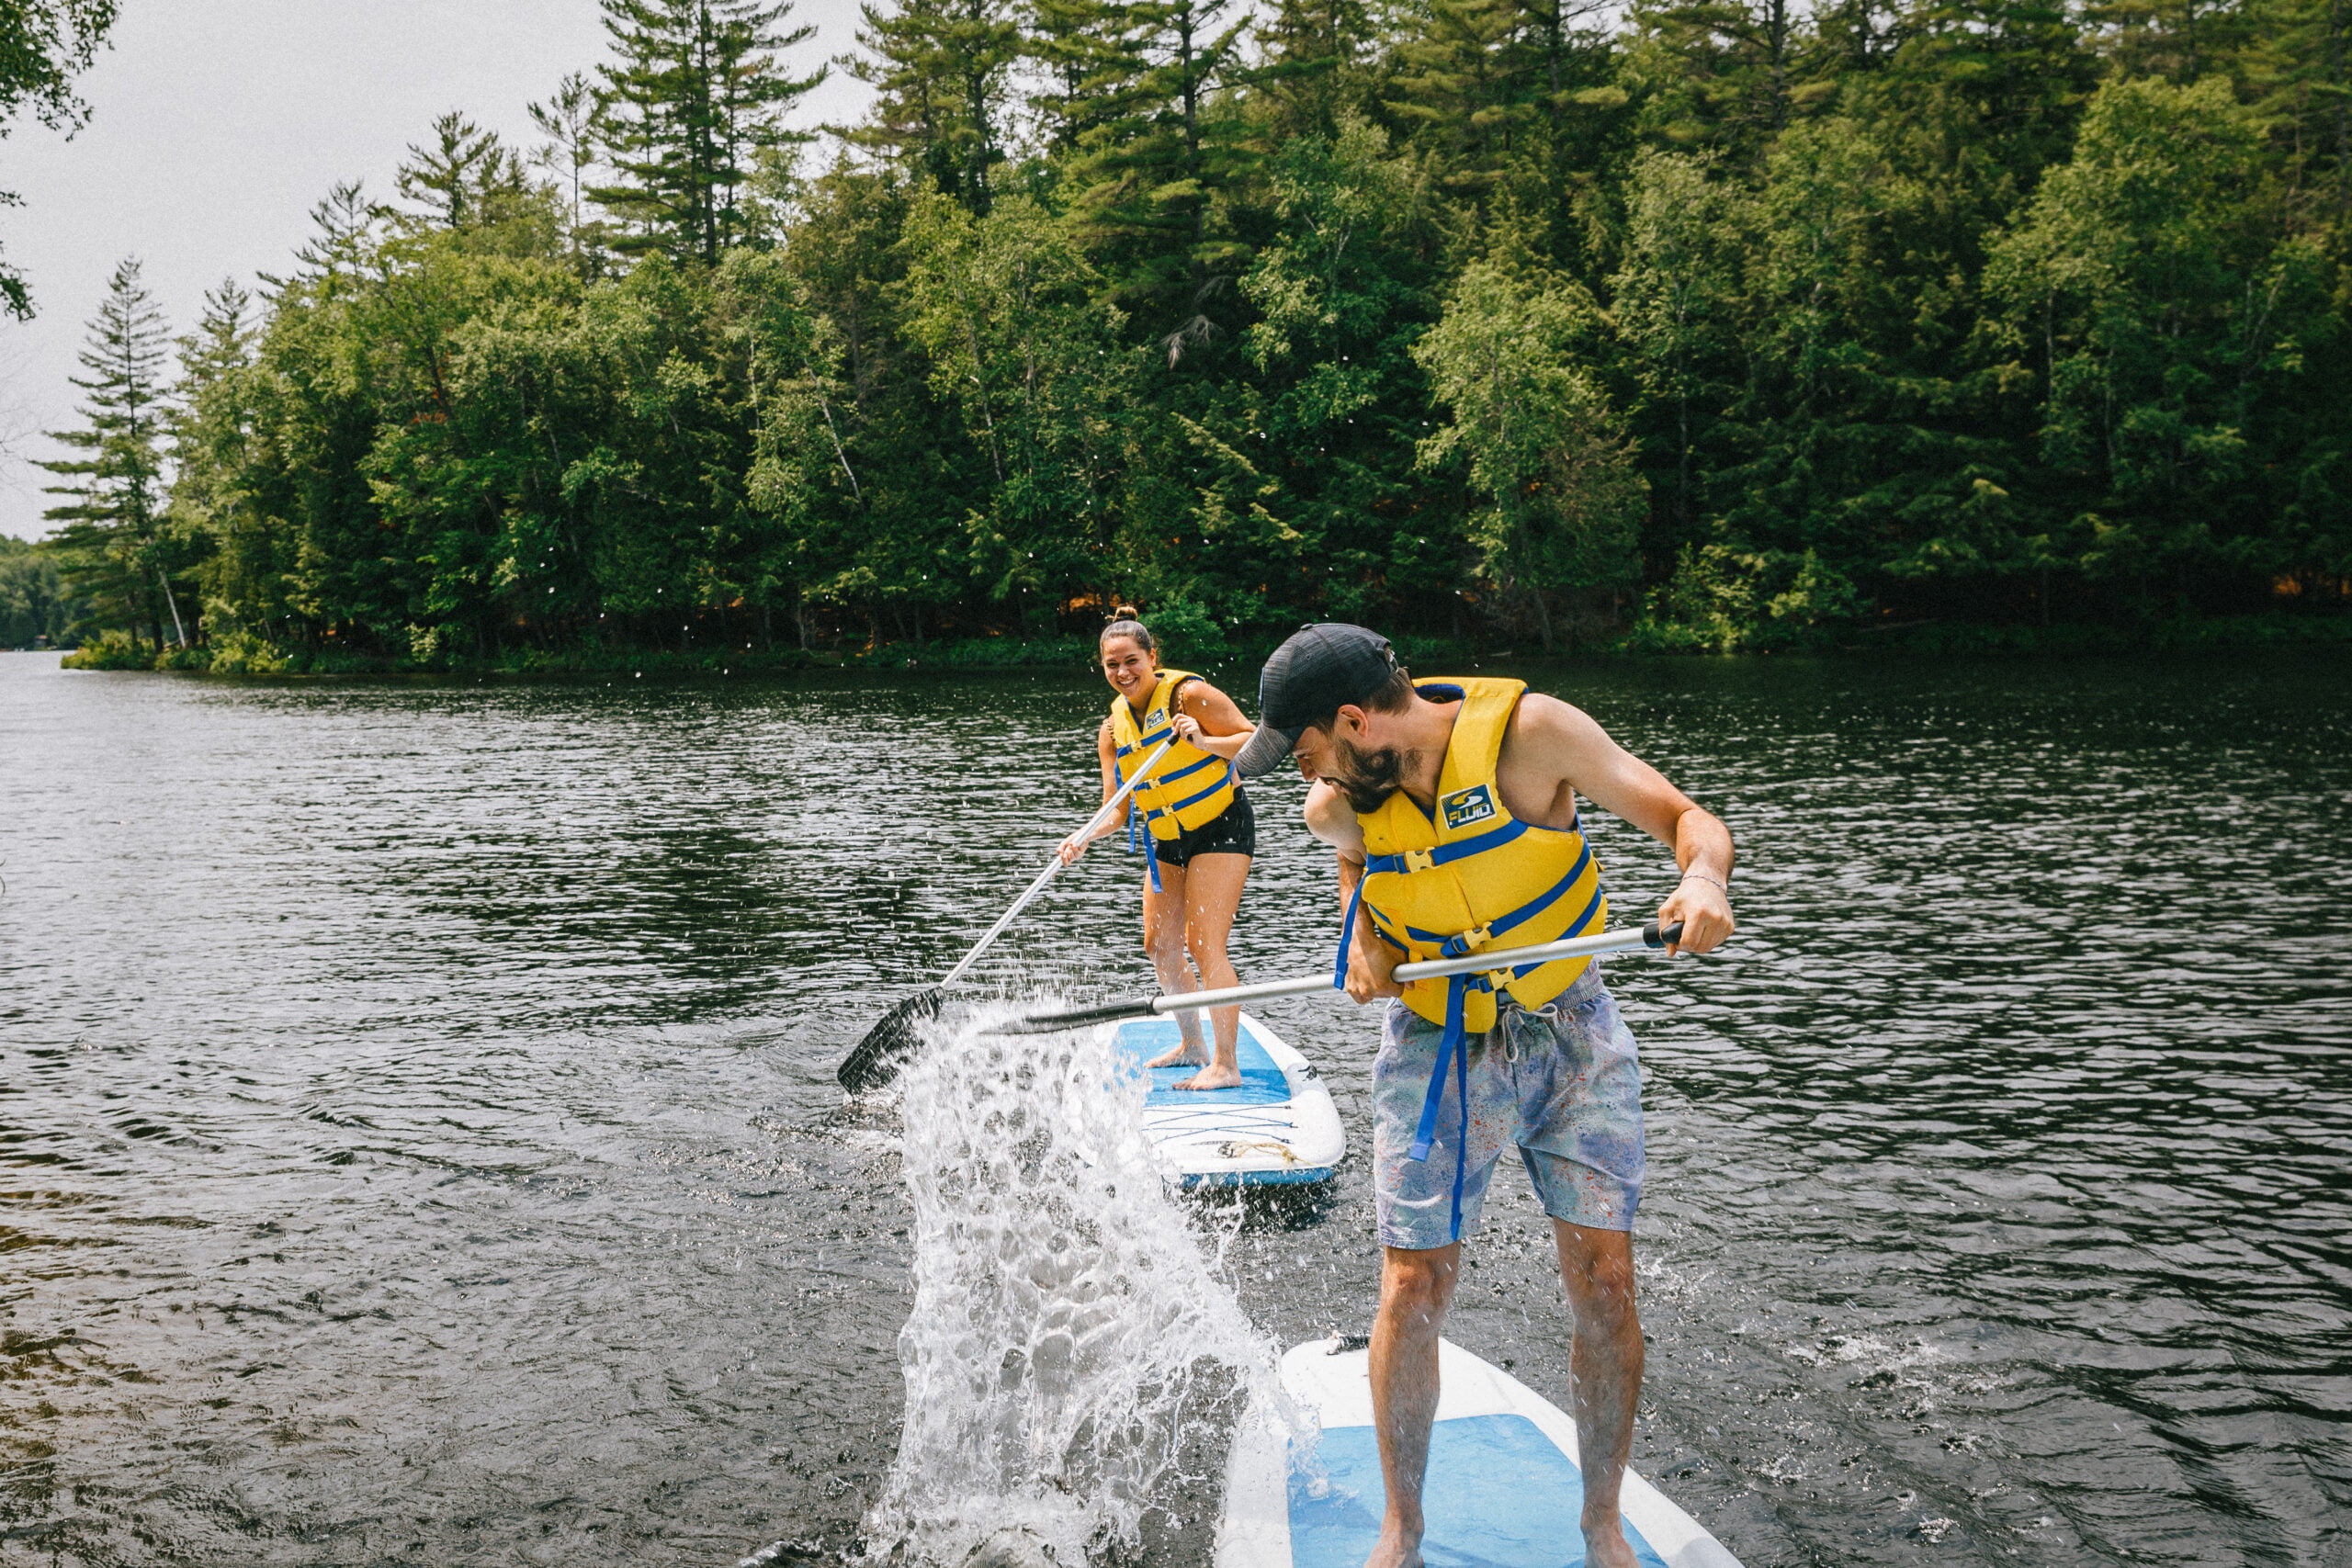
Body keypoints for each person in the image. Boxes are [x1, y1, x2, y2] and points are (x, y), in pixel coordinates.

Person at [1229, 625, 1736, 1568]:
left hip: (1570, 1034)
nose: (1312, 779)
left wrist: (1701, 878)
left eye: (1307, 752)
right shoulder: (1335, 806)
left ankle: (1600, 1526)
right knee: (1413, 1283)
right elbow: (1361, 869)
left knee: (1605, 1285)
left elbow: (1686, 821)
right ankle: (1401, 1532)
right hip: (1436, 1047)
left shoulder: (1532, 737)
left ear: (1351, 721)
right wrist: (1365, 941)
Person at [1059, 613, 1260, 1090]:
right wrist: (1083, 836)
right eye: (1112, 665)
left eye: (1132, 661)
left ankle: (1226, 1065)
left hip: (1220, 825)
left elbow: (1255, 739)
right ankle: (1193, 1044)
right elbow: (1117, 808)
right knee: (1160, 945)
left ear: (1153, 657)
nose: (1123, 672)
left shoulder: (1189, 695)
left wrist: (1203, 740)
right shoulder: (1112, 731)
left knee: (1203, 943)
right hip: (1165, 838)